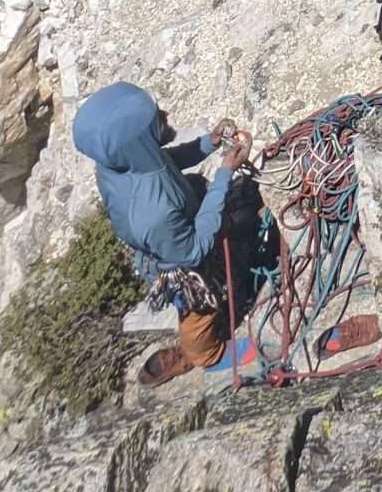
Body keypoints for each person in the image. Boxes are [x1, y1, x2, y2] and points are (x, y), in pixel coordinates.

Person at [71, 82, 259, 385]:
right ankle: (204, 355)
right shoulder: (151, 214)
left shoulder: (117, 163)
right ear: (135, 141)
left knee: (205, 192)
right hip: (180, 263)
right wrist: (225, 173)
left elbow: (165, 161)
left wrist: (208, 143)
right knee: (199, 310)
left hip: (169, 233)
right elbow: (194, 250)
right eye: (156, 118)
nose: (165, 113)